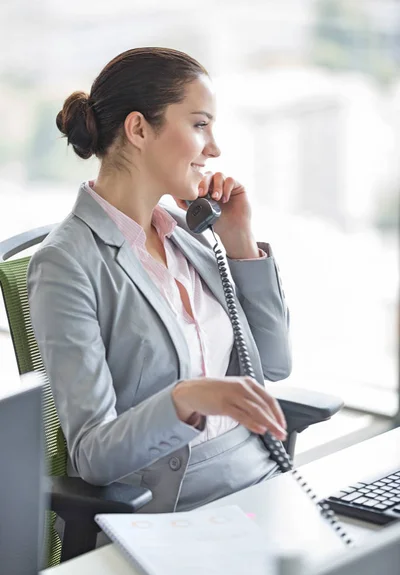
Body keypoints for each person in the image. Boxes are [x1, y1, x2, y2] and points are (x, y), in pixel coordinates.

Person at [28, 47, 292, 513]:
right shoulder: (66, 264)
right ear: (138, 129)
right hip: (175, 506)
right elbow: (91, 455)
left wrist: (241, 245)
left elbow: (273, 364)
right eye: (199, 124)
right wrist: (187, 398)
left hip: (263, 482)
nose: (214, 147)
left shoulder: (188, 236)